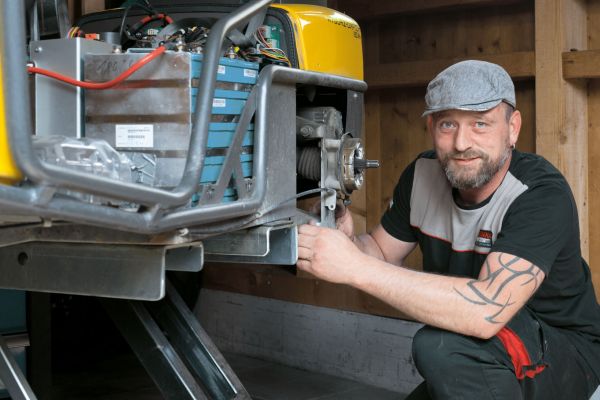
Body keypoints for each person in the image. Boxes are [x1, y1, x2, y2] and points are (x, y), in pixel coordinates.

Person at [297, 60, 600, 400]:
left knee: (440, 345)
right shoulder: (422, 175)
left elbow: (486, 311)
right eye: (448, 124)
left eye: (480, 124)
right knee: (447, 347)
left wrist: (355, 267)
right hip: (481, 354)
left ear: (512, 128)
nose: (461, 143)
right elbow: (380, 253)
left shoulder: (539, 193)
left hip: (566, 356)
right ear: (431, 127)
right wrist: (348, 242)